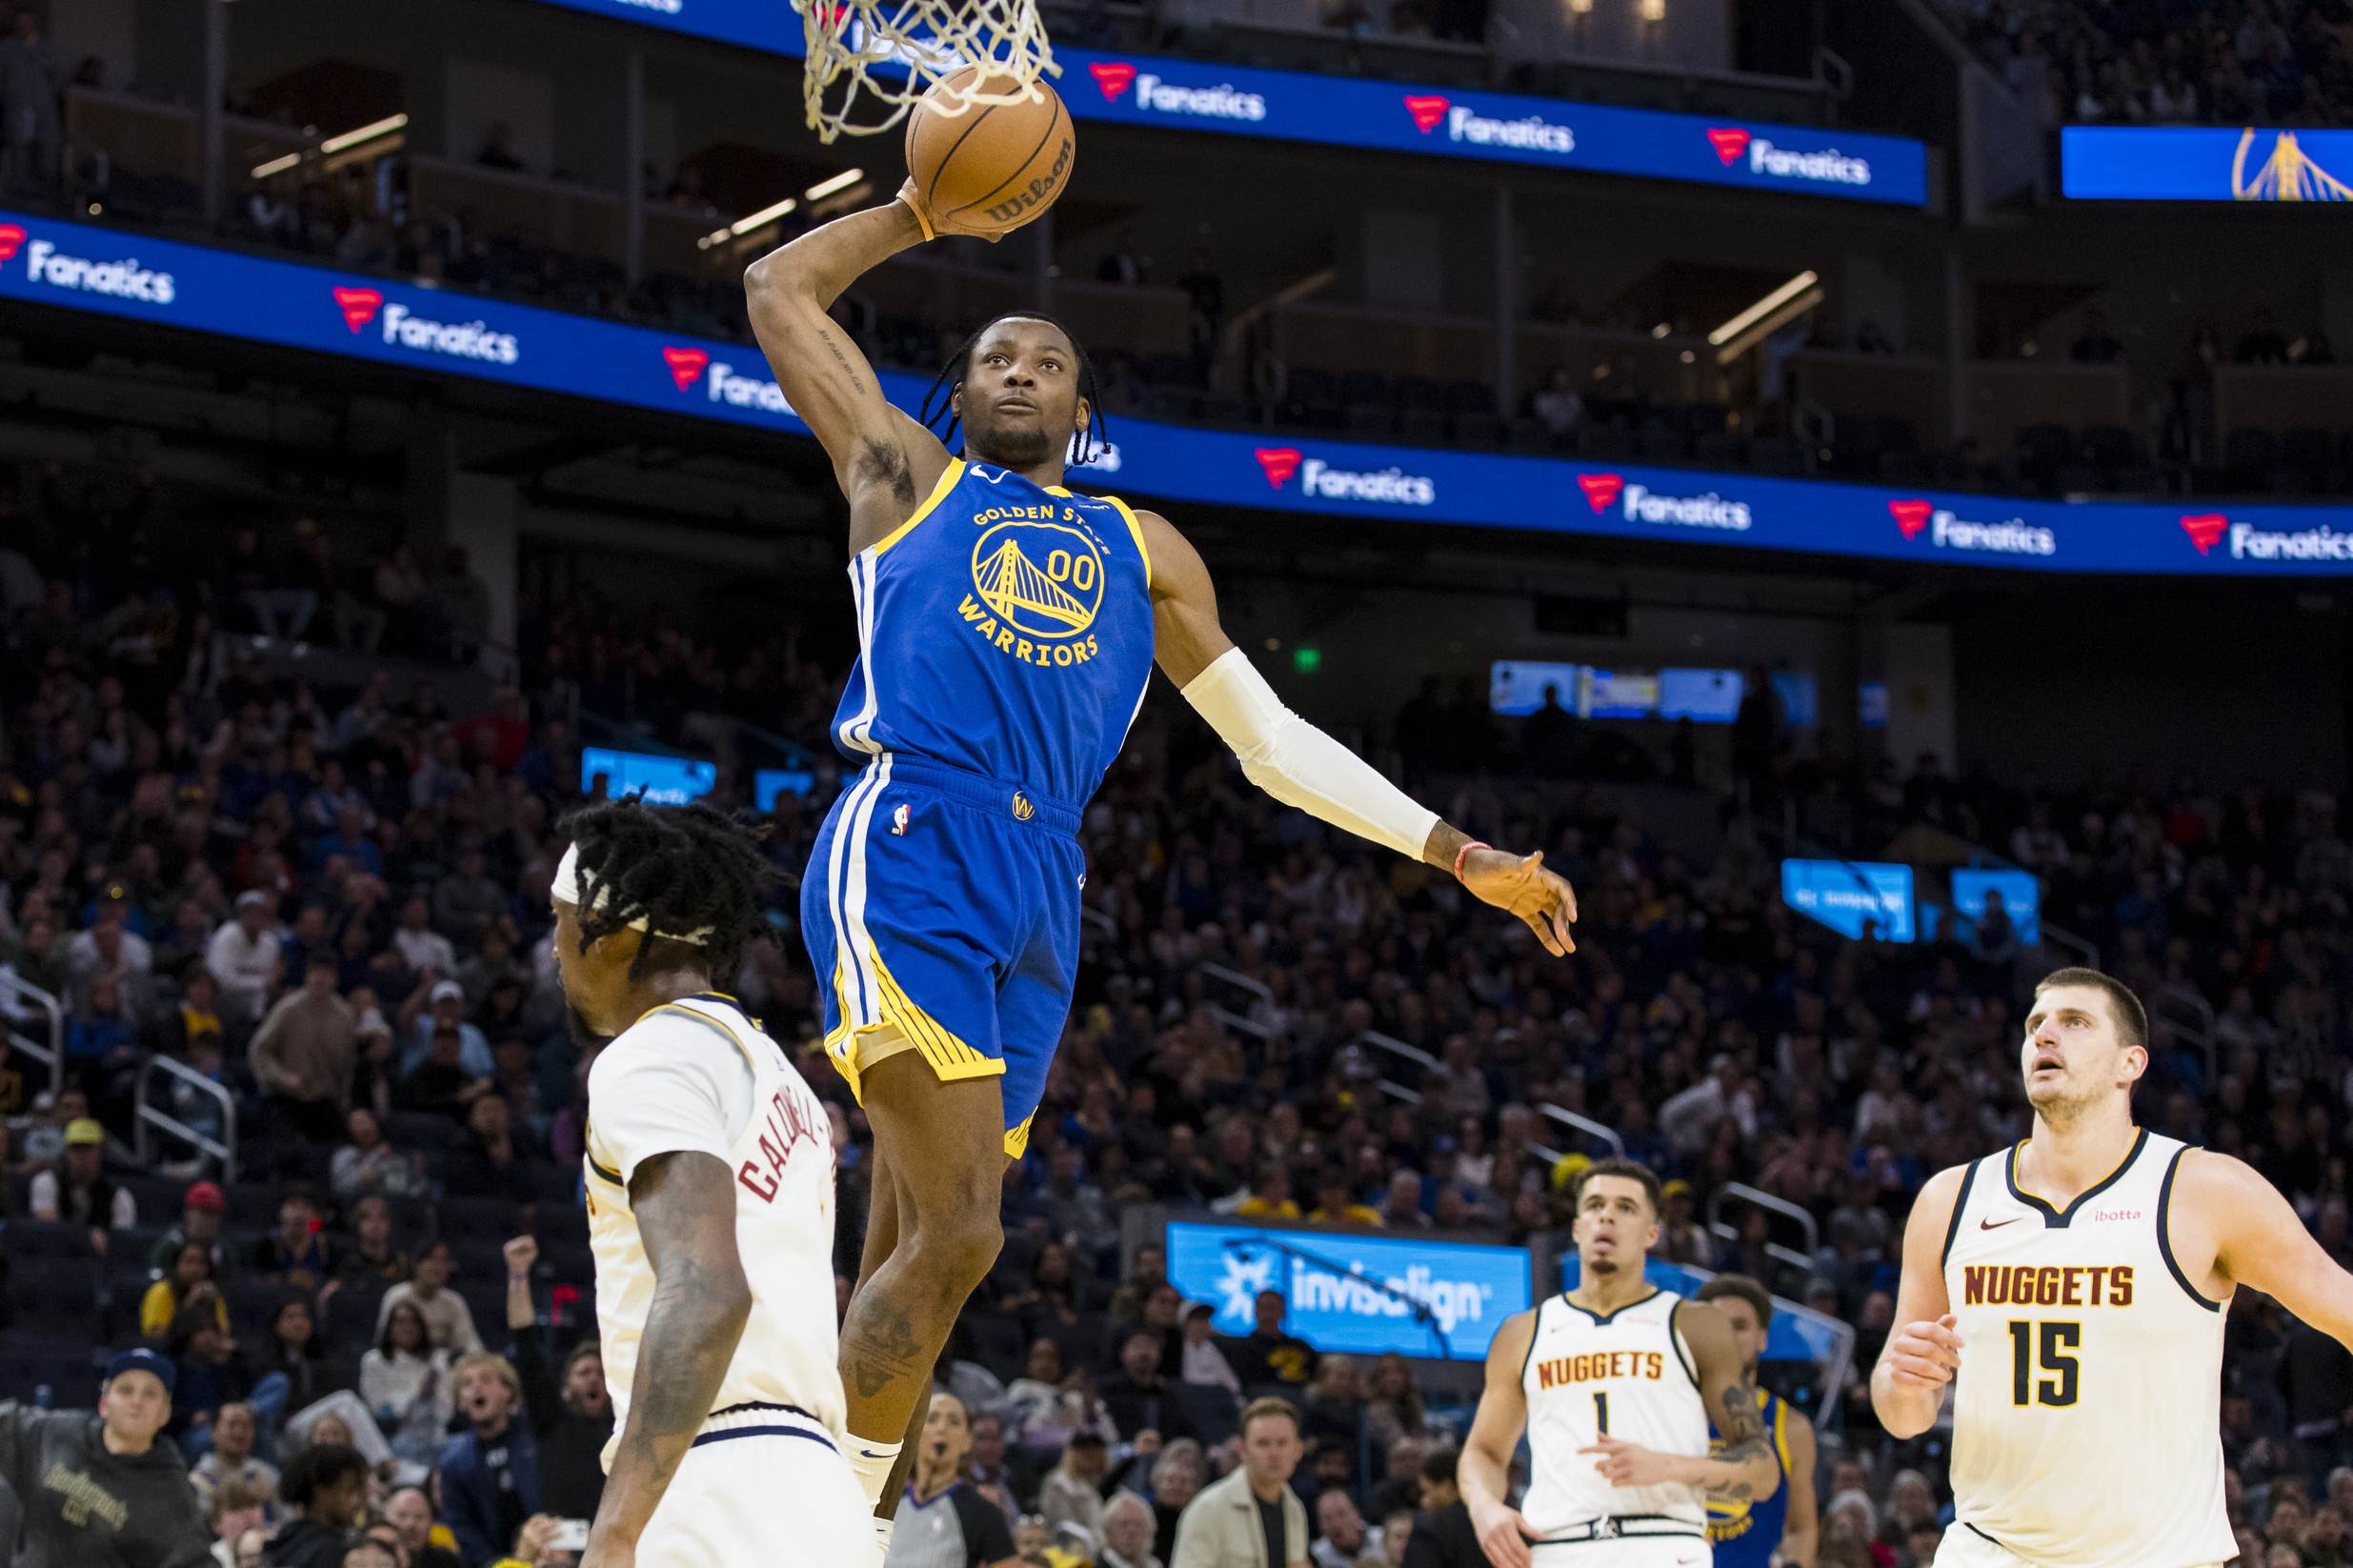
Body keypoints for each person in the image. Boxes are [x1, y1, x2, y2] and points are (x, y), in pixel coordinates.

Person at [744, 187, 1578, 1539]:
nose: (1019, 367)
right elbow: (778, 293)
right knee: (960, 1233)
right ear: (956, 393)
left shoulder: (1145, 546)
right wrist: (914, 208)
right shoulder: (903, 478)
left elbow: (1269, 739)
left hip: (1042, 885)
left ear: (1082, 406)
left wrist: (1454, 849)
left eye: (1049, 360)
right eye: (994, 356)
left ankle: (869, 1510)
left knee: (916, 1249)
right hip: (914, 839)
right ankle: (810, 1529)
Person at [1873, 967, 2353, 1567]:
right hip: (1989, 1551)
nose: (2045, 1035)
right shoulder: (1950, 1200)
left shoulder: (2205, 1190)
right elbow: (1900, 1410)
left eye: (2074, 1022)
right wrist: (1903, 1384)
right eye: (2035, 1025)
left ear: (2132, 1063)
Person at [554, 797, 875, 1568]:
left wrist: (617, 1530)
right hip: (822, 1495)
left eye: (561, 920)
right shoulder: (778, 1074)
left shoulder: (650, 1055)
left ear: (615, 935)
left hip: (716, 1482)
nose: (555, 947)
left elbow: (705, 1291)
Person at [1458, 1158, 1779, 1567]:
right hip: (1556, 1547)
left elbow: (1763, 1470)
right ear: (1576, 1228)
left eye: (1625, 1207)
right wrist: (1484, 1506)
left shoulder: (1696, 1325)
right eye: (1593, 1205)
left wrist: (1665, 1466)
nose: (1606, 1215)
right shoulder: (1522, 1333)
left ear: (1652, 1234)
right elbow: (1483, 1451)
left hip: (1664, 1542)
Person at [0, 1347, 213, 1567]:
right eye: (125, 1390)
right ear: (103, 1404)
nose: (136, 1401)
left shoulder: (173, 1495)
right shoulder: (57, 1432)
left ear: (164, 1414)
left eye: (150, 1394)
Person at [1695, 1274, 1816, 1568]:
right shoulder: (1667, 1411)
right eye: (1716, 1325)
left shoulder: (1790, 1427)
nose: (1727, 1336)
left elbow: (1801, 1528)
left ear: (1763, 1338)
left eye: (1739, 1326)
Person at [502, 1236, 612, 1518]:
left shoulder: (622, 1430)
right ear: (565, 1389)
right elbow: (527, 1347)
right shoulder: (552, 1422)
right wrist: (518, 1274)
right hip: (560, 1550)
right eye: (583, 1373)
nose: (593, 1379)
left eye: (600, 1373)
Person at [1168, 1397, 1309, 1568]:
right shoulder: (1208, 1508)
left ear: (1298, 1450)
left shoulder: (1295, 1510)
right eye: (1263, 1443)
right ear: (1243, 1450)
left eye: (1282, 1443)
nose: (1274, 1453)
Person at [885, 1392, 1019, 1568]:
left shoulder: (983, 1513)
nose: (942, 1428)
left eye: (954, 1422)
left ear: (967, 1441)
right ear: (916, 1432)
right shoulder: (885, 1502)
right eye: (932, 1419)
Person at [363, 1298, 453, 1465]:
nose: (407, 1327)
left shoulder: (437, 1361)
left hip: (436, 1439)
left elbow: (446, 1414)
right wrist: (417, 1393)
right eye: (400, 1321)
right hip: (396, 1439)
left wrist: (432, 1392)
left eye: (414, 1321)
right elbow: (382, 1412)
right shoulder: (374, 1362)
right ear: (389, 1327)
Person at [265, 1442, 371, 1567]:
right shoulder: (328, 1552)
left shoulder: (286, 1540)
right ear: (321, 1494)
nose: (358, 1501)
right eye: (350, 1490)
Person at [375, 1240, 484, 1355]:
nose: (437, 1267)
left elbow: (469, 1343)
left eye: (443, 1260)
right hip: (400, 1363)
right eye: (431, 1259)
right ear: (416, 1264)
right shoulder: (397, 1296)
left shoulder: (454, 1301)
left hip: (441, 1365)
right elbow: (383, 1340)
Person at [190, 1401, 279, 1517]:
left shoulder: (267, 1474)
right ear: (213, 1432)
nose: (239, 1433)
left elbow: (286, 1519)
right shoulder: (197, 1482)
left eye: (246, 1426)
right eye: (231, 1425)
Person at [1401, 1449, 1478, 1568]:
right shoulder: (1498, 1524)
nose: (1423, 1502)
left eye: (1426, 1492)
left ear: (1446, 1487)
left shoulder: (1429, 1531)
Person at [385, 1485, 463, 1568]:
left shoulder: (447, 1561)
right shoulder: (372, 1559)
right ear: (384, 1520)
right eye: (402, 1515)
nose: (411, 1524)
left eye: (419, 1517)